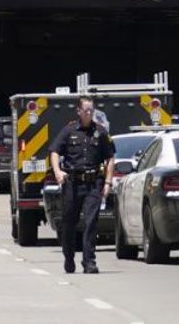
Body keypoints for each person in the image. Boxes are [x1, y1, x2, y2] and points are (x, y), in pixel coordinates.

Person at [50, 96, 115, 274]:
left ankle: (89, 262)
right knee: (69, 224)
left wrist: (108, 182)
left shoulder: (101, 132)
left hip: (94, 184)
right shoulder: (69, 130)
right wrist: (57, 171)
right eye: (86, 110)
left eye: (91, 111)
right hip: (71, 184)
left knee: (90, 222)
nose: (89, 113)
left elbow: (110, 158)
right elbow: (54, 151)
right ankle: (69, 258)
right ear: (78, 111)